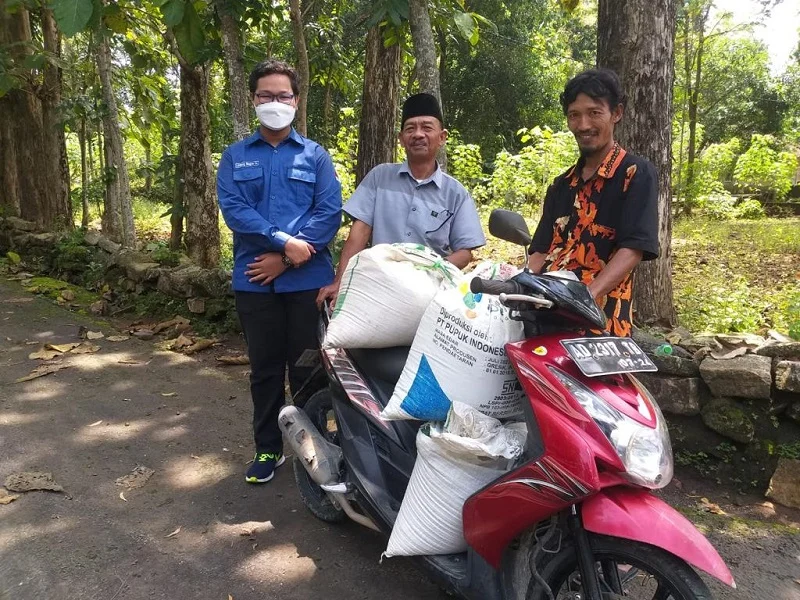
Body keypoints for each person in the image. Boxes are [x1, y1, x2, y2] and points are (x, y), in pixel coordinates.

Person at [217, 59, 342, 483]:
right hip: (254, 281)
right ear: (254, 100)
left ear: (296, 100)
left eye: (282, 95)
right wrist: (280, 240)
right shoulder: (236, 156)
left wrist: (287, 258)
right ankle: (268, 450)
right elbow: (235, 210)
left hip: (306, 284)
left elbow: (328, 214)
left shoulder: (316, 156)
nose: (275, 102)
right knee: (265, 369)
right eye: (266, 95)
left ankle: (314, 449)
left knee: (307, 367)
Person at [316, 93, 485, 307]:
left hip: (429, 293)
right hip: (379, 286)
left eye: (427, 127)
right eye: (410, 128)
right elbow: (359, 233)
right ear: (401, 138)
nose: (418, 134)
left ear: (442, 137)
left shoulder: (456, 193)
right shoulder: (380, 177)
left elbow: (464, 253)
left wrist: (428, 271)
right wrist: (341, 280)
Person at [527, 69, 659, 337]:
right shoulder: (560, 185)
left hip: (599, 321)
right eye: (574, 115)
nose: (583, 124)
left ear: (617, 113)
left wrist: (587, 295)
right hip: (545, 312)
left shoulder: (634, 174)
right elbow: (540, 251)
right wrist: (516, 281)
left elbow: (633, 249)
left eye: (594, 112)